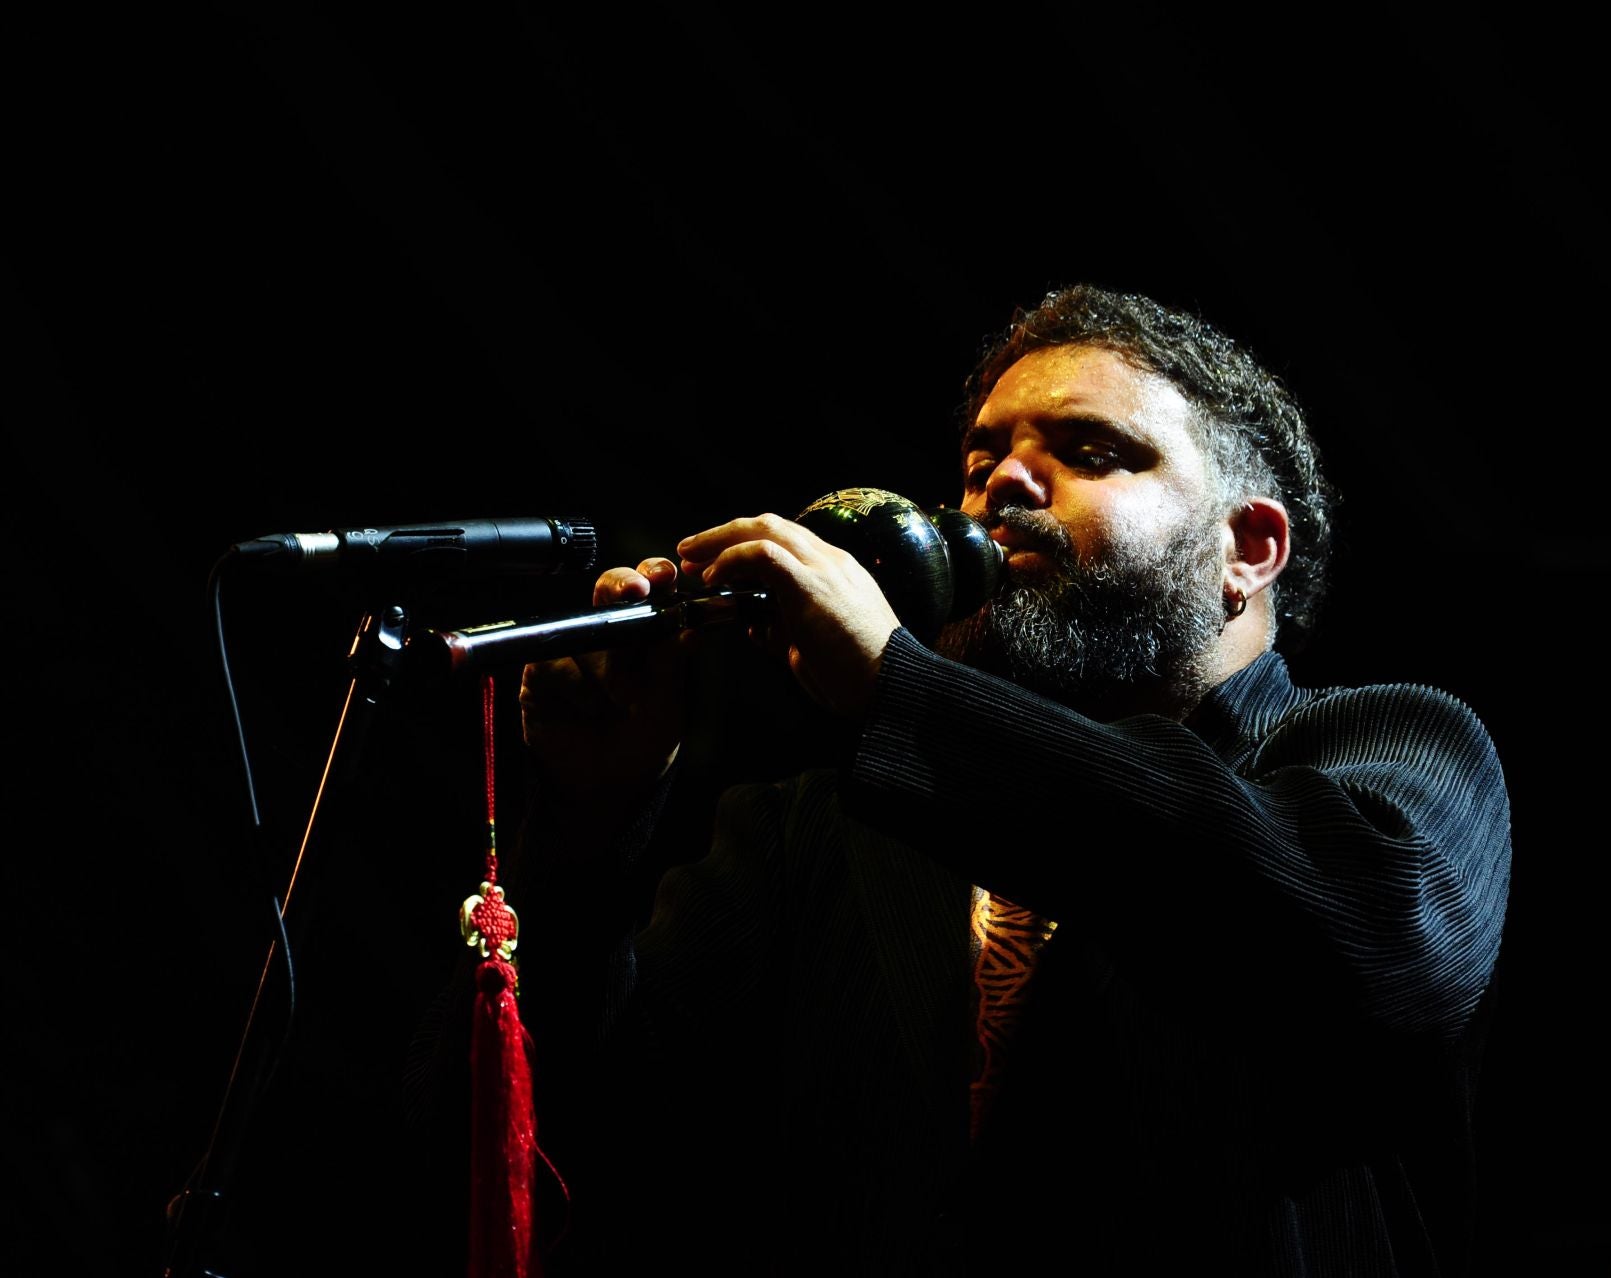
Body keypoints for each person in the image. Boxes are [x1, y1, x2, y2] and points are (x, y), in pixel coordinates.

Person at [481, 285, 1510, 1275]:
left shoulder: (1392, 748)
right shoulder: (816, 832)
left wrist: (899, 688)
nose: (1002, 485)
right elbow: (559, 1149)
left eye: (1089, 452)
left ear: (1248, 547)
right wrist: (590, 826)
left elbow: (1366, 940)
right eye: (981, 461)